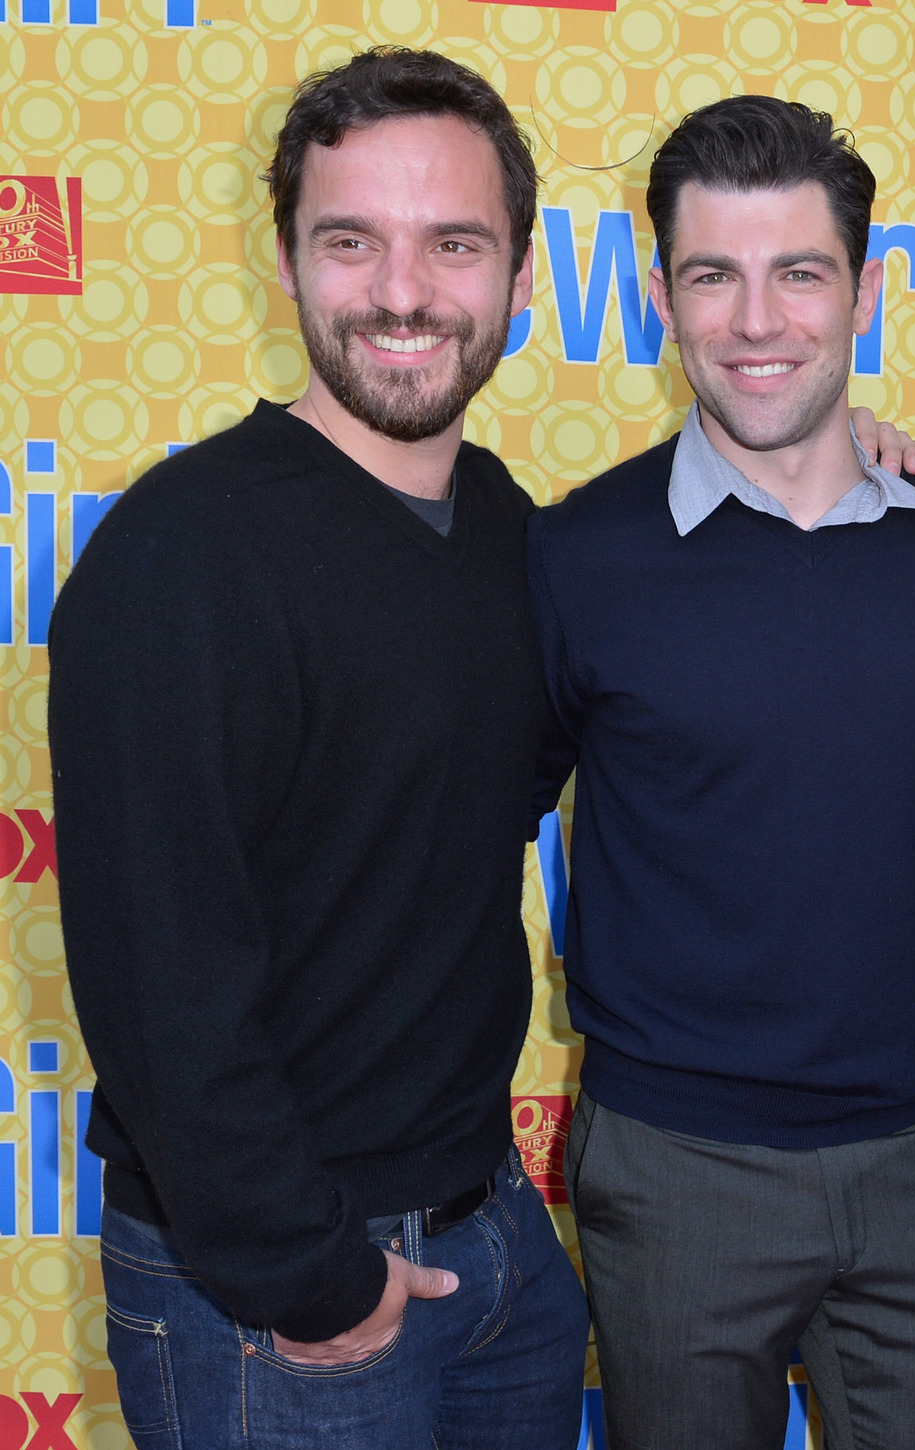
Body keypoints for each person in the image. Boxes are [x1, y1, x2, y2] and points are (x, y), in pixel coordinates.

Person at [50, 48, 592, 1450]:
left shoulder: (504, 526)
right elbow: (160, 976)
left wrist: (851, 478)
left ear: (522, 279)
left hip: (493, 1242)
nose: (405, 292)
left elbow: (497, 794)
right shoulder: (182, 555)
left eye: (453, 243)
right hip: (283, 1281)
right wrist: (311, 1272)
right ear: (287, 262)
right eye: (352, 241)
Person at [526, 95, 915, 1450]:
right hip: (673, 1165)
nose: (758, 321)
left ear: (869, 290)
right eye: (715, 275)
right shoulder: (577, 558)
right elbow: (465, 824)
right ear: (659, 296)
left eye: (800, 272)